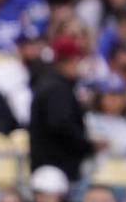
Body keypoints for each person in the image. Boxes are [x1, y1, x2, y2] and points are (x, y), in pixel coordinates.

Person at [29, 36, 96, 182]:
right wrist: (88, 145)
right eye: (77, 60)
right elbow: (61, 125)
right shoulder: (57, 88)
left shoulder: (51, 83)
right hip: (56, 168)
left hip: (52, 166)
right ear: (69, 61)